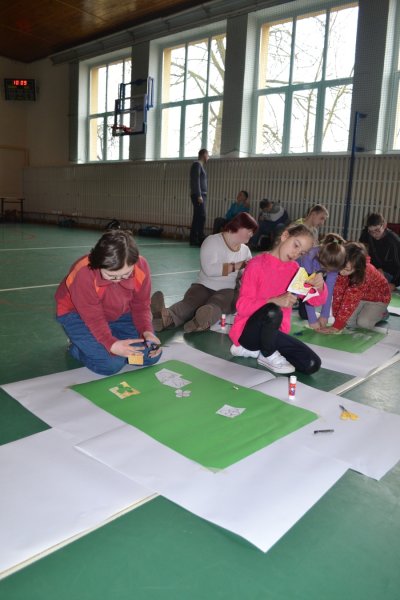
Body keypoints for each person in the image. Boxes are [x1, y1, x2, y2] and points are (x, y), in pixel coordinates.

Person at [55, 229, 162, 376]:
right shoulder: (84, 273)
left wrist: (147, 331)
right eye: (111, 275)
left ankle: (106, 342)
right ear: (99, 264)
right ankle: (77, 348)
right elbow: (93, 317)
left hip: (120, 313)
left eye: (126, 274)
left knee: (150, 355)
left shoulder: (141, 267)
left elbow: (141, 305)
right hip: (78, 315)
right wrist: (111, 343)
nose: (118, 280)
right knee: (111, 365)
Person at [229, 224, 327, 374]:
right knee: (273, 311)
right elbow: (242, 306)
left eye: (301, 252)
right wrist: (274, 300)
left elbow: (315, 301)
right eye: (296, 245)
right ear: (285, 236)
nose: (296, 253)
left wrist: (320, 286)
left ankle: (263, 349)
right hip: (248, 334)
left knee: (312, 364)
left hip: (274, 334)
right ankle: (265, 353)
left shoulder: (295, 270)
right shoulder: (256, 265)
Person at [151, 212, 258, 333]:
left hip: (228, 291)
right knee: (190, 303)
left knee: (216, 304)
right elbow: (209, 270)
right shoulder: (212, 241)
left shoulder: (245, 250)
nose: (251, 234)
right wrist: (239, 265)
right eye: (249, 230)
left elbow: (248, 277)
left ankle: (200, 320)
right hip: (203, 286)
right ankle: (165, 317)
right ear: (239, 226)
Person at [319, 241, 391, 334]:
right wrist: (337, 321)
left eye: (347, 269)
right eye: (341, 267)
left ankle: (383, 313)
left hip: (378, 299)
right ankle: (366, 312)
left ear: (358, 267)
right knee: (348, 323)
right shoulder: (342, 269)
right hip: (360, 298)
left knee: (363, 323)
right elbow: (338, 295)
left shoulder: (365, 273)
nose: (341, 272)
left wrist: (336, 327)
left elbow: (350, 300)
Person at [296, 233, 346, 329]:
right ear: (319, 256)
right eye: (326, 268)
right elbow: (308, 290)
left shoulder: (335, 262)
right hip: (296, 275)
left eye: (331, 270)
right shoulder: (309, 256)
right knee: (305, 314)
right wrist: (313, 321)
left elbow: (329, 290)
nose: (329, 271)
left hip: (316, 275)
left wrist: (324, 316)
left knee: (307, 313)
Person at [359, 212, 400, 290]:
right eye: (371, 231)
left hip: (392, 275)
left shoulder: (394, 242)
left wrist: (394, 284)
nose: (374, 234)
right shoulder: (366, 234)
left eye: (377, 230)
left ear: (384, 225)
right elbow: (361, 255)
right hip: (373, 269)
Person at [189, 148, 209, 246]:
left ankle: (194, 238)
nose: (208, 158)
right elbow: (195, 180)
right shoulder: (197, 165)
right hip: (199, 195)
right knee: (201, 216)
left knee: (198, 216)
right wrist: (199, 195)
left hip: (201, 195)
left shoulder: (200, 166)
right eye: (208, 156)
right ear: (204, 155)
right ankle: (199, 237)